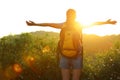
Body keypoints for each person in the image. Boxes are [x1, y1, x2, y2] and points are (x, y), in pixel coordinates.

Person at [26, 9, 117, 80]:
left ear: (66, 15)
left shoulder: (63, 25)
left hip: (64, 54)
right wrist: (107, 22)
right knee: (75, 79)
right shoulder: (79, 25)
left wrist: (35, 24)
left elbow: (49, 24)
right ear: (75, 16)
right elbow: (94, 24)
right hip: (77, 54)